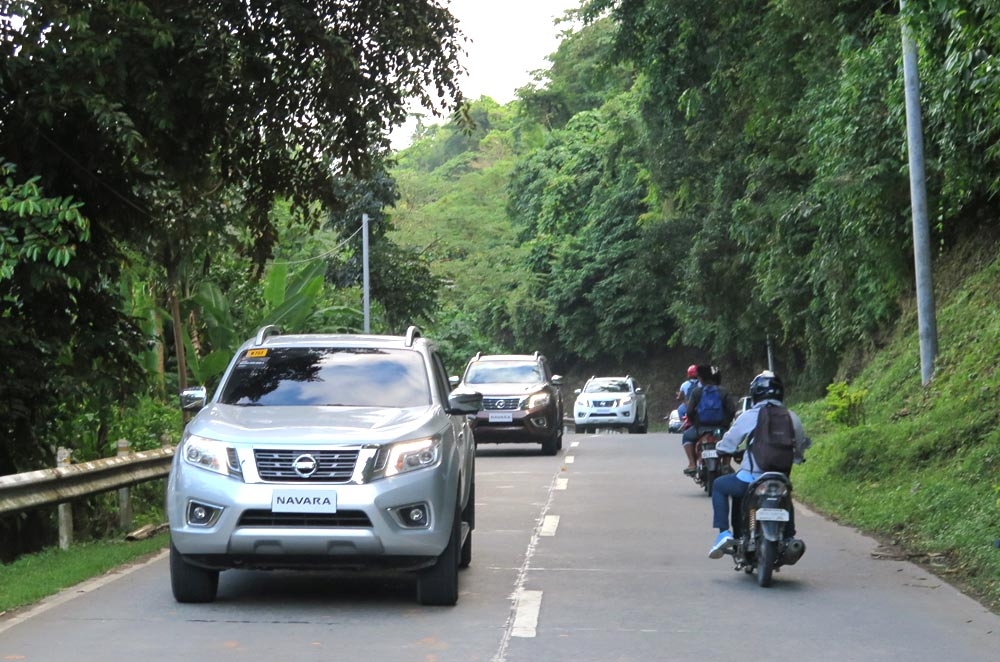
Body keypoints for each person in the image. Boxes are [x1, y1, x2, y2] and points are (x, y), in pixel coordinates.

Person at [707, 371, 811, 558]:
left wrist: (721, 449)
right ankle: (789, 537)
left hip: (751, 479)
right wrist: (797, 458)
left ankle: (724, 533)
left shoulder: (749, 416)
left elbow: (729, 443)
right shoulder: (791, 417)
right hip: (780, 479)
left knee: (719, 485)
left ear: (755, 394)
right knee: (786, 497)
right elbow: (799, 449)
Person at [681, 365, 736, 475]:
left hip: (701, 429)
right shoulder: (723, 392)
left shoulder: (696, 392)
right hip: (720, 428)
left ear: (700, 378)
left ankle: (692, 464)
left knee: (686, 436)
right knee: (730, 440)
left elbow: (689, 411)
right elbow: (731, 410)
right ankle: (726, 464)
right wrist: (725, 424)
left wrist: (695, 424)